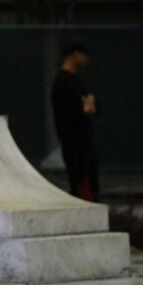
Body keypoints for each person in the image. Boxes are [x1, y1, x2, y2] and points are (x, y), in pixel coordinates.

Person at [50, 39, 99, 201]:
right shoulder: (63, 82)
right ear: (76, 54)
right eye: (85, 55)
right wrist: (85, 109)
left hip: (84, 141)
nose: (87, 59)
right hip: (74, 141)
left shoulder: (75, 80)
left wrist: (90, 107)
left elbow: (93, 106)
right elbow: (71, 112)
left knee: (89, 181)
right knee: (81, 183)